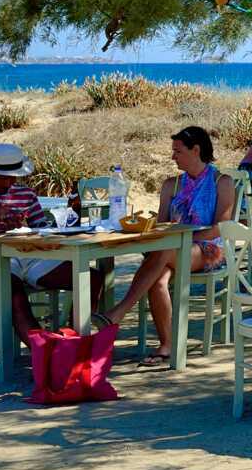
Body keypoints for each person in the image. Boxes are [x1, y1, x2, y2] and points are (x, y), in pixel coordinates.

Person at [94, 126, 237, 362]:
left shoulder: (222, 182)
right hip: (173, 249)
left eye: (178, 152)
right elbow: (161, 225)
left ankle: (119, 312)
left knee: (166, 250)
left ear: (196, 150)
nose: (172, 157)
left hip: (210, 248)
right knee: (158, 279)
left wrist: (181, 238)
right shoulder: (172, 184)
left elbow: (220, 228)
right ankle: (167, 345)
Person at [0, 142, 104, 336]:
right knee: (12, 293)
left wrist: (25, 228)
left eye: (15, 176)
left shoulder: (25, 195)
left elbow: (43, 233)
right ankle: (44, 353)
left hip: (31, 255)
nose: (11, 182)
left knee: (91, 278)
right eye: (6, 177)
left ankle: (75, 342)